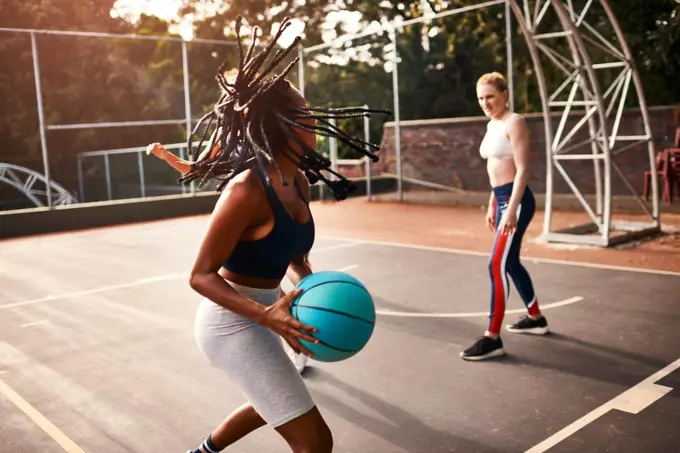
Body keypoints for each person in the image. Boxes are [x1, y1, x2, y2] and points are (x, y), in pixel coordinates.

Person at [149, 17, 386, 453]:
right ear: (281, 125)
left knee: (271, 400)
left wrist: (311, 293)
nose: (313, 121)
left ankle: (201, 452)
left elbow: (295, 256)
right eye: (304, 116)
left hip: (269, 308)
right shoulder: (246, 190)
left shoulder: (299, 182)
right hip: (228, 324)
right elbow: (200, 276)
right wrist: (266, 316)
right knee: (316, 442)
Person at [460, 72, 549, 362]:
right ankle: (535, 318)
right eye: (481, 98)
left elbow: (522, 169)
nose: (485, 102)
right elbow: (497, 168)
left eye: (491, 96)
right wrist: (492, 204)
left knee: (496, 264)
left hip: (517, 200)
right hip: (501, 199)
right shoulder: (492, 124)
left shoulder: (515, 122)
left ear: (505, 95)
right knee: (509, 262)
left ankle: (492, 338)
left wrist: (510, 209)